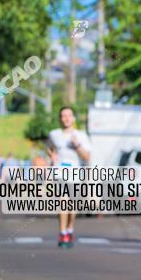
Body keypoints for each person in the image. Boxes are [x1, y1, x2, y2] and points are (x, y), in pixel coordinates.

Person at [46, 106, 91, 247]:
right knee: (63, 202)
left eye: (69, 115)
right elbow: (49, 146)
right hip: (60, 173)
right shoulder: (54, 134)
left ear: (73, 118)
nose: (66, 118)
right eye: (63, 115)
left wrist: (77, 145)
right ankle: (63, 233)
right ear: (60, 119)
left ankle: (70, 229)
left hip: (76, 174)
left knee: (72, 206)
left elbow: (87, 157)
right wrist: (51, 155)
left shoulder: (81, 136)